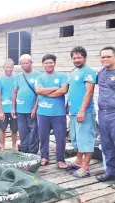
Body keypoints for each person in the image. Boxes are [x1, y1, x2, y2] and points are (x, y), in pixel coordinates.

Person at [67, 46, 97, 178]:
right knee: (77, 139)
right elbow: (72, 90)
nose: (76, 60)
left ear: (85, 58)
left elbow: (89, 92)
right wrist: (68, 106)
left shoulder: (89, 72)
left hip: (84, 112)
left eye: (79, 57)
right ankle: (78, 161)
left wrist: (82, 111)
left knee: (86, 139)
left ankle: (86, 167)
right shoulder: (74, 72)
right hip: (74, 112)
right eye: (74, 58)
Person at [35, 54, 68, 169]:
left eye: (50, 62)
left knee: (60, 137)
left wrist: (46, 92)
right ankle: (44, 157)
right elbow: (38, 91)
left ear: (54, 63)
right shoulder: (40, 77)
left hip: (58, 113)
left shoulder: (62, 76)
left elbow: (63, 90)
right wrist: (55, 88)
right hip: (42, 113)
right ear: (43, 64)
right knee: (43, 136)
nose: (48, 65)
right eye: (46, 63)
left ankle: (60, 159)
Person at [12, 54, 40, 154]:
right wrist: (13, 108)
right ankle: (24, 150)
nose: (24, 65)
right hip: (20, 110)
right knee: (22, 131)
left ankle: (33, 151)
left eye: (26, 63)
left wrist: (35, 108)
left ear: (31, 63)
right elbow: (15, 92)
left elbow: (39, 94)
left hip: (32, 110)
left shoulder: (38, 75)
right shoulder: (18, 77)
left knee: (33, 131)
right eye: (22, 63)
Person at [96, 46, 115, 186]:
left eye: (108, 56)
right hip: (102, 114)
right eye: (103, 57)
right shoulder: (101, 73)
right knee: (106, 145)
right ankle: (110, 172)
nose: (105, 59)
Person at [0, 59, 17, 151]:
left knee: (14, 129)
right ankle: (3, 147)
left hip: (14, 109)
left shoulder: (16, 79)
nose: (8, 69)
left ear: (13, 67)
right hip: (3, 109)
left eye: (10, 67)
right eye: (6, 67)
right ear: (3, 68)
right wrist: (0, 111)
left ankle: (13, 146)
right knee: (2, 129)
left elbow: (17, 92)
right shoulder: (0, 79)